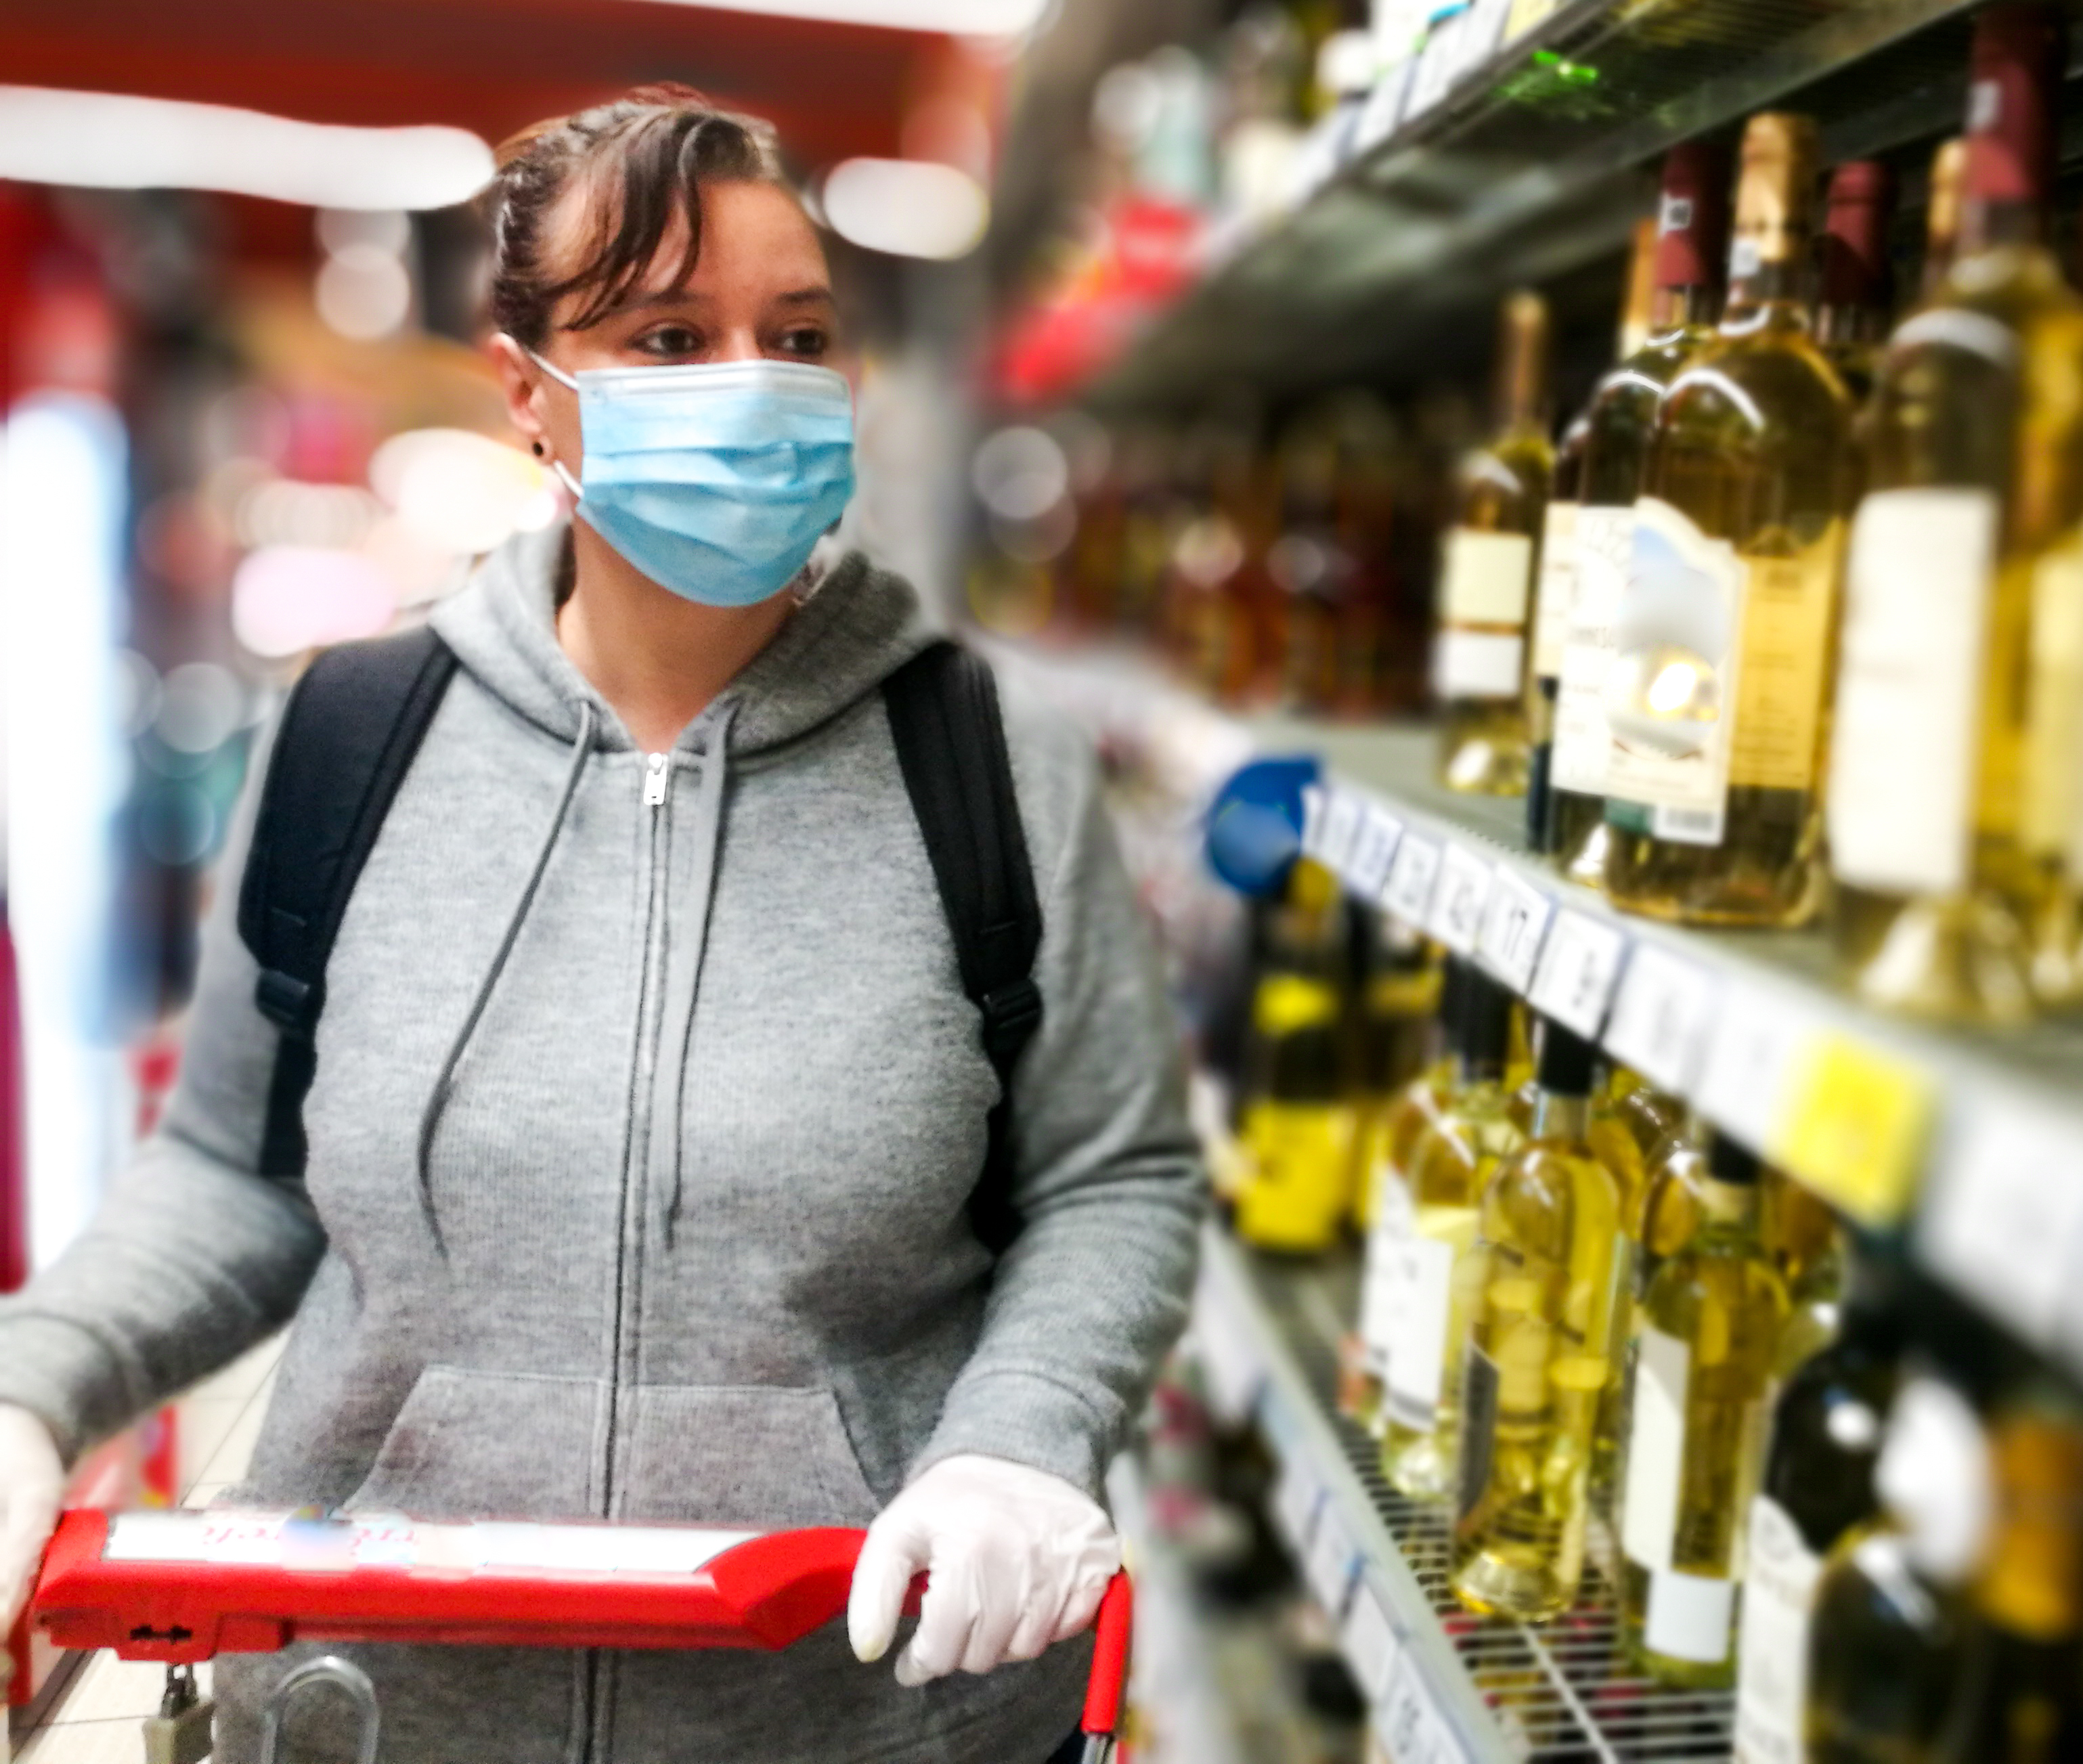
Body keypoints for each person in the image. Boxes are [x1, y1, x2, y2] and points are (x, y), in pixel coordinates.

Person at [0, 85, 1203, 1761]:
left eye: (795, 334)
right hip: (381, 1706)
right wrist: (30, 1387)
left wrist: (1018, 1438)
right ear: (525, 396)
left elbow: (1111, 1178)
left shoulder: (987, 761)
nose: (751, 386)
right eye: (665, 337)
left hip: (847, 1708)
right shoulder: (354, 735)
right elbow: (230, 1168)